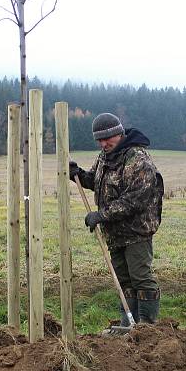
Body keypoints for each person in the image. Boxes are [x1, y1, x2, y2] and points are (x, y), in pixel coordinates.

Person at [69, 113, 164, 326]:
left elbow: (134, 199)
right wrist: (77, 174)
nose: (103, 144)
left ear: (119, 134)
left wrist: (101, 215)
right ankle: (128, 325)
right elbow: (96, 182)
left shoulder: (137, 159)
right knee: (123, 280)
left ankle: (147, 327)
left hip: (136, 231)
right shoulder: (105, 157)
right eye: (99, 140)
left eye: (107, 139)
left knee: (140, 277)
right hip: (115, 233)